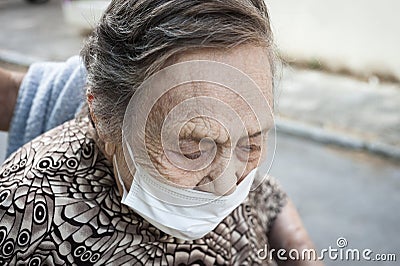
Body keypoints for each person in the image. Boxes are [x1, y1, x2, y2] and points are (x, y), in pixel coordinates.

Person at [0, 0, 322, 265]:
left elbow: (266, 195)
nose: (228, 189)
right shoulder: (24, 218)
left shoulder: (238, 173)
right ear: (102, 116)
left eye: (251, 143)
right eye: (193, 148)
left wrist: (295, 244)